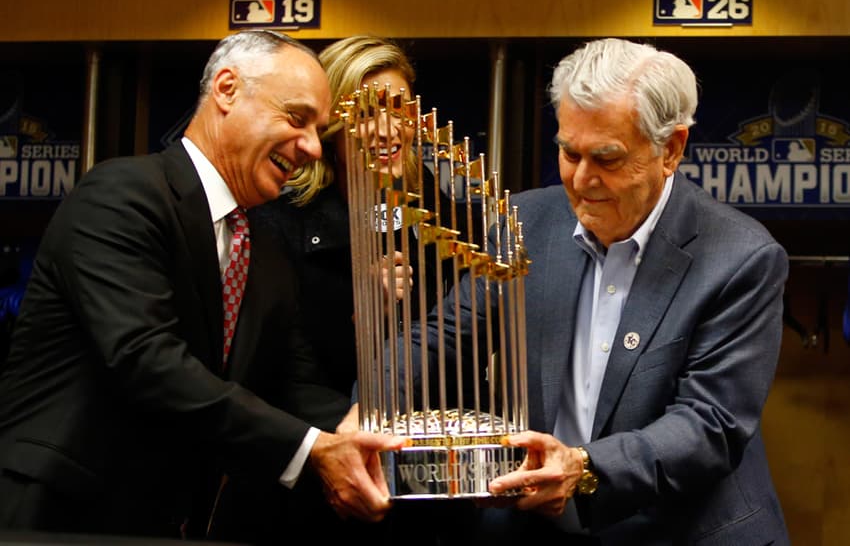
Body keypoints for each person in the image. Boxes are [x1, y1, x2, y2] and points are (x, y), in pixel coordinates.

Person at [0, 29, 406, 540]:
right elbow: (145, 359)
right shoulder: (122, 195)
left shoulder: (266, 249)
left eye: (317, 131)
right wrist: (311, 449)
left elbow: (292, 382)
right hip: (61, 514)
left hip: (172, 519)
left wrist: (377, 434)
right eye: (297, 119)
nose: (311, 147)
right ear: (227, 89)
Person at [400, 38, 791, 544]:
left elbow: (709, 423)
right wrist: (370, 408)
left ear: (670, 149)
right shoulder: (524, 222)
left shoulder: (741, 257)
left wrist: (582, 467)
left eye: (607, 158)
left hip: (677, 529)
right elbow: (446, 334)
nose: (582, 180)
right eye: (568, 152)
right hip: (538, 524)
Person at [217, 34, 477, 545]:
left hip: (435, 498)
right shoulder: (275, 225)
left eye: (399, 109)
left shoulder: (460, 227)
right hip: (316, 496)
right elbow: (273, 372)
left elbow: (474, 363)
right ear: (329, 128)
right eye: (365, 113)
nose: (386, 129)